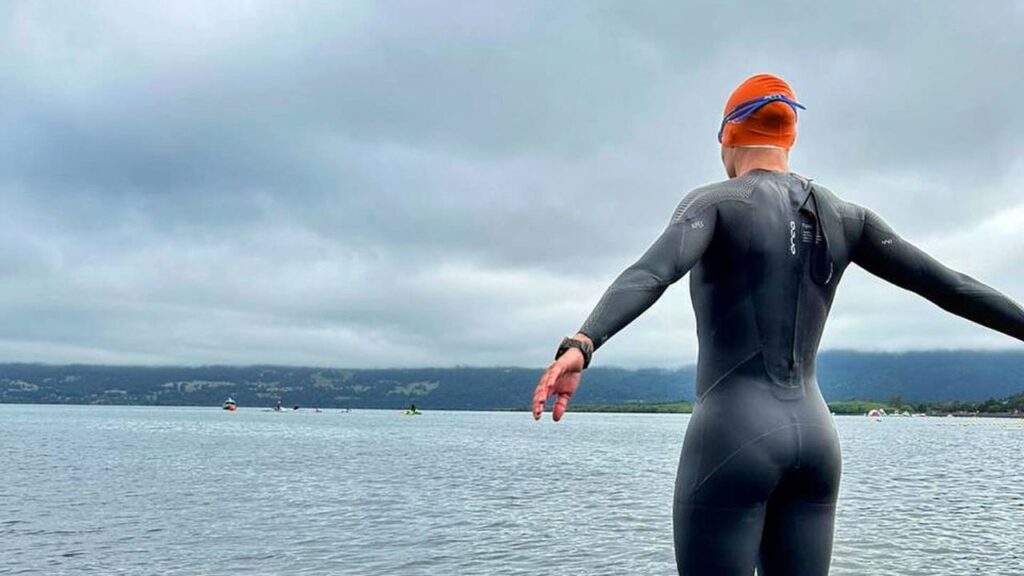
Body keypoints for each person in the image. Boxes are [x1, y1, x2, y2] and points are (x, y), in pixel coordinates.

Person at [531, 73, 1024, 576]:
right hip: (816, 440)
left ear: (727, 134)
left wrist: (583, 343)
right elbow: (950, 286)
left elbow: (651, 273)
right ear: (790, 138)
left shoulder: (716, 203)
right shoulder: (847, 217)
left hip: (731, 435)